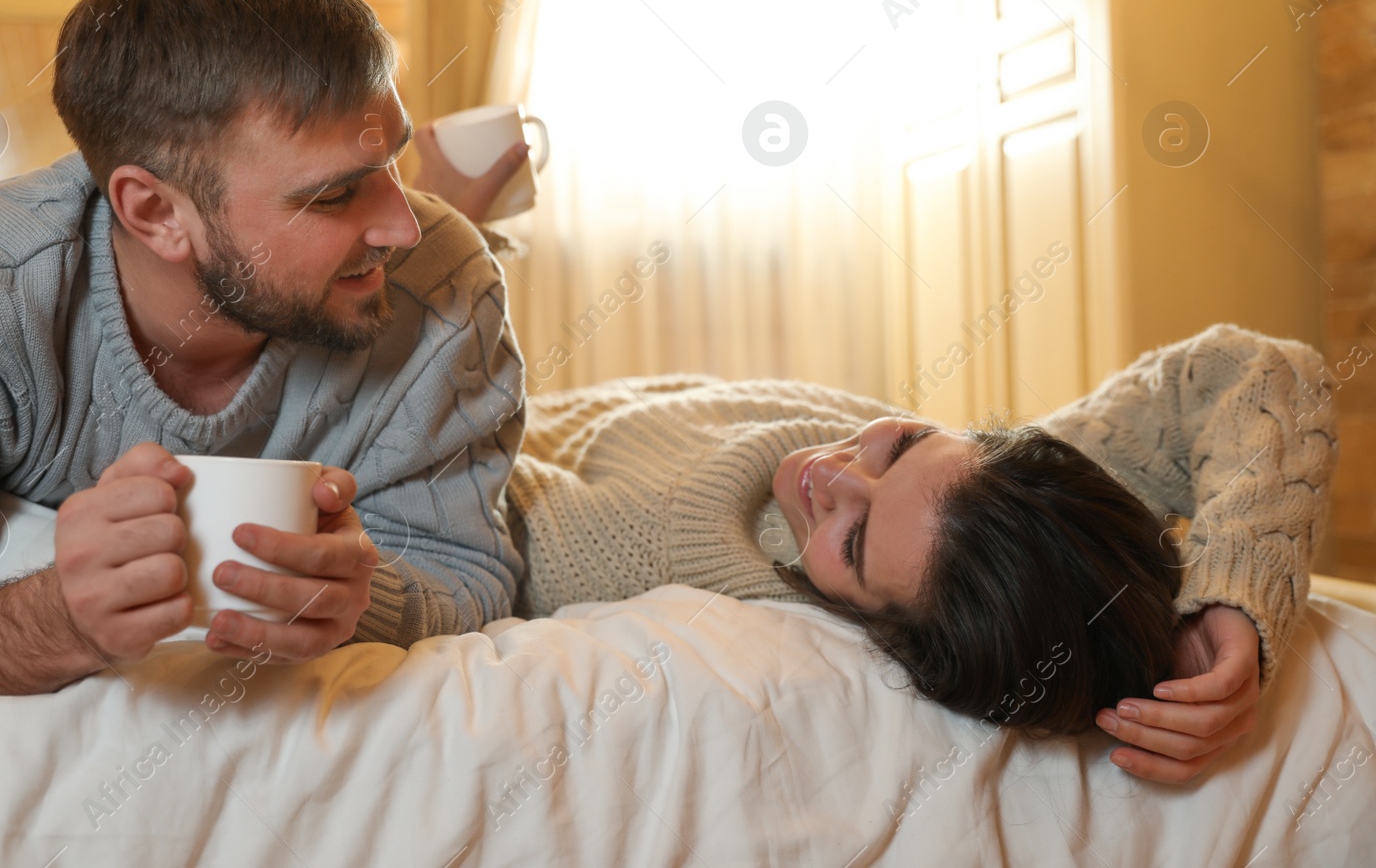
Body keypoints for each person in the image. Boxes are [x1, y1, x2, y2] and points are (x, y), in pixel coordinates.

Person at [0, 0, 531, 712]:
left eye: (393, 162)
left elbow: (476, 574)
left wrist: (363, 600)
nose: (402, 226)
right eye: (335, 194)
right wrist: (54, 623)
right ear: (154, 210)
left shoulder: (444, 275)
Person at [497, 326, 1335, 785]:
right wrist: (1235, 596)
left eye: (853, 542)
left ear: (887, 632)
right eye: (902, 444)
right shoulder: (1000, 513)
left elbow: (471, 491)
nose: (831, 471)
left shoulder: (649, 549)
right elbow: (1254, 373)